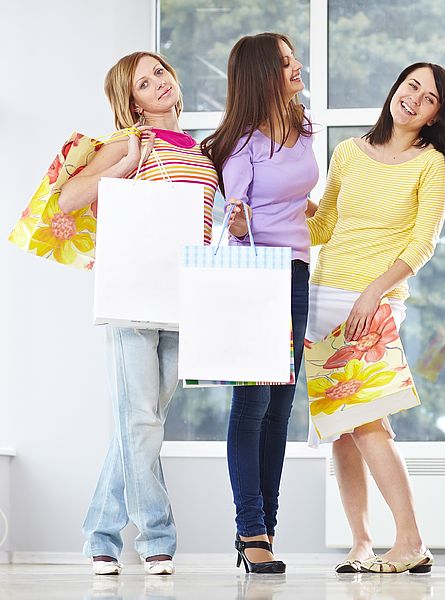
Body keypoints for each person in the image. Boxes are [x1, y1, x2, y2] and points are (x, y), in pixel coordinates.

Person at [58, 52, 218, 575]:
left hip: (186, 293)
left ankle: (99, 534)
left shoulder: (201, 150)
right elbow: (68, 199)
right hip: (133, 292)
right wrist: (124, 168)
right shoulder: (130, 144)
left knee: (142, 422)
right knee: (141, 420)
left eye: (161, 73)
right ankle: (157, 538)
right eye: (144, 83)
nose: (159, 84)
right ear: (133, 102)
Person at [305, 62, 445, 574]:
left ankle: (412, 540)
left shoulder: (431, 164)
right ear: (395, 87)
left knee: (370, 422)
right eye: (411, 85)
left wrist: (373, 293)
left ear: (438, 115)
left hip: (374, 303)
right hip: (323, 295)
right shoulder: (348, 152)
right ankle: (360, 542)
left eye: (430, 97)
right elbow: (325, 224)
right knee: (342, 427)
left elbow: (423, 244)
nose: (415, 98)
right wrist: (281, 208)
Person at [200, 33, 317, 574]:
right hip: (254, 277)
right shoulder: (237, 142)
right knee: (252, 406)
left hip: (296, 273)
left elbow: (299, 195)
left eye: (295, 59)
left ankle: (264, 527)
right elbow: (237, 214)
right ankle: (251, 530)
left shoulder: (304, 125)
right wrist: (241, 221)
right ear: (262, 75)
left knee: (281, 406)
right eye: (287, 62)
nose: (297, 67)